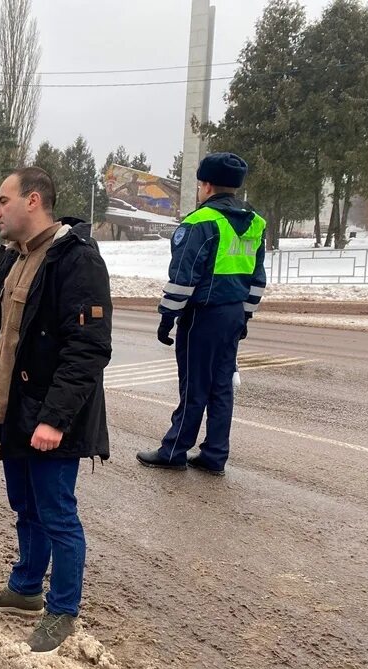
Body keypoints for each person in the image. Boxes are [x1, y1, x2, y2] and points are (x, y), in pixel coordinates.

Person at [0, 167, 112, 654]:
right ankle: (27, 588)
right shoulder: (12, 257)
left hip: (51, 415)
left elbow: (88, 349)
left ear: (33, 201)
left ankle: (62, 609)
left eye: (2, 200)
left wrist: (55, 419)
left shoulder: (76, 261)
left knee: (57, 514)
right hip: (16, 409)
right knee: (25, 507)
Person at [136, 153, 266, 477]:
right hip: (234, 313)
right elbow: (257, 278)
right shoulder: (255, 222)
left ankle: (174, 450)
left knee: (194, 385)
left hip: (203, 317)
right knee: (221, 387)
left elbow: (184, 276)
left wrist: (167, 317)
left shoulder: (200, 222)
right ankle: (215, 455)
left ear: (206, 185)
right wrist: (245, 317)